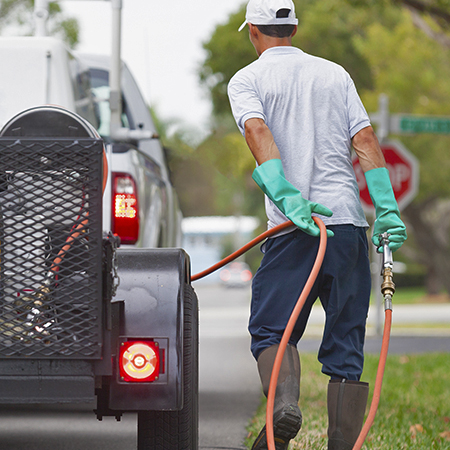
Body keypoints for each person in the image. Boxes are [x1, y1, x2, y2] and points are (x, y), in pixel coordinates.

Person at [227, 1, 407, 449]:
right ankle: (338, 444)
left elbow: (256, 131)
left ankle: (284, 405)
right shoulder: (334, 74)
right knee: (346, 346)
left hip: (296, 229)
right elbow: (364, 140)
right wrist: (385, 208)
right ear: (292, 27)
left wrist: (287, 195)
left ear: (253, 31)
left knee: (272, 330)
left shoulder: (247, 80)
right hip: (347, 227)